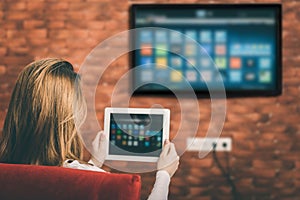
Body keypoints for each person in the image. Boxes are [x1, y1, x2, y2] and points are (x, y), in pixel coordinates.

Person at [0, 58, 179, 200]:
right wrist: (164, 174)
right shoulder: (94, 180)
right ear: (69, 116)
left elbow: (56, 182)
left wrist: (94, 163)